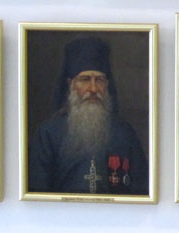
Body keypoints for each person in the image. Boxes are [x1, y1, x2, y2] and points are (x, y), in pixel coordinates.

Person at [28, 37, 148, 195]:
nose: (93, 89)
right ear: (71, 84)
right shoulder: (48, 134)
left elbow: (141, 190)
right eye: (84, 80)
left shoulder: (125, 133)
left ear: (107, 85)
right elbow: (37, 192)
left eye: (99, 80)